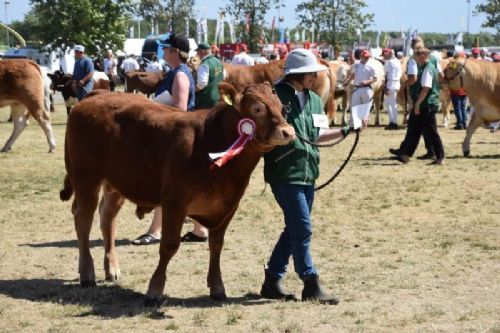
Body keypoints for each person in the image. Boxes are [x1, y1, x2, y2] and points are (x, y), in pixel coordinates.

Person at [260, 48, 367, 304]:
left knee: (294, 229)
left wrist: (347, 129)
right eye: (311, 73)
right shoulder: (275, 97)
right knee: (303, 229)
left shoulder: (316, 100)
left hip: (309, 173)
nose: (315, 78)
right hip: (284, 173)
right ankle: (310, 282)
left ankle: (272, 281)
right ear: (298, 74)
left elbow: (318, 136)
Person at [131, 34, 208, 245]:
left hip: (176, 138)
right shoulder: (177, 73)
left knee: (165, 185)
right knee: (182, 187)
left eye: (166, 49)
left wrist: (157, 107)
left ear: (175, 52)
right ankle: (200, 230)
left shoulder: (180, 75)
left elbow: (180, 109)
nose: (163, 52)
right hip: (178, 137)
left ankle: (156, 231)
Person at [394, 47, 445, 165]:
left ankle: (440, 157)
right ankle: (406, 155)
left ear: (423, 56)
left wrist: (417, 104)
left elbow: (426, 89)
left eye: (417, 55)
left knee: (432, 132)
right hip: (425, 103)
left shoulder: (427, 69)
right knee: (415, 130)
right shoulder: (424, 67)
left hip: (427, 104)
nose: (415, 57)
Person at [194, 42, 224, 109]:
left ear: (202, 51)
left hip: (206, 100)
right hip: (218, 97)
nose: (197, 54)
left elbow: (202, 84)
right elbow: (224, 76)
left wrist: (192, 91)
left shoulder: (205, 64)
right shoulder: (219, 62)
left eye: (197, 52)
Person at [382, 48, 402, 129]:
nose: (384, 57)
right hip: (397, 83)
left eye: (384, 55)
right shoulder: (397, 61)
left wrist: (385, 86)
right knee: (393, 104)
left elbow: (386, 75)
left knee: (389, 104)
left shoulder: (388, 62)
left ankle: (392, 122)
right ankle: (394, 121)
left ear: (389, 54)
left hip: (390, 83)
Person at [449, 52, 468, 130]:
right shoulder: (466, 65)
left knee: (457, 107)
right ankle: (464, 123)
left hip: (455, 89)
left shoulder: (454, 64)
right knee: (463, 107)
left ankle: (460, 124)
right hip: (465, 89)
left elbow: (450, 72)